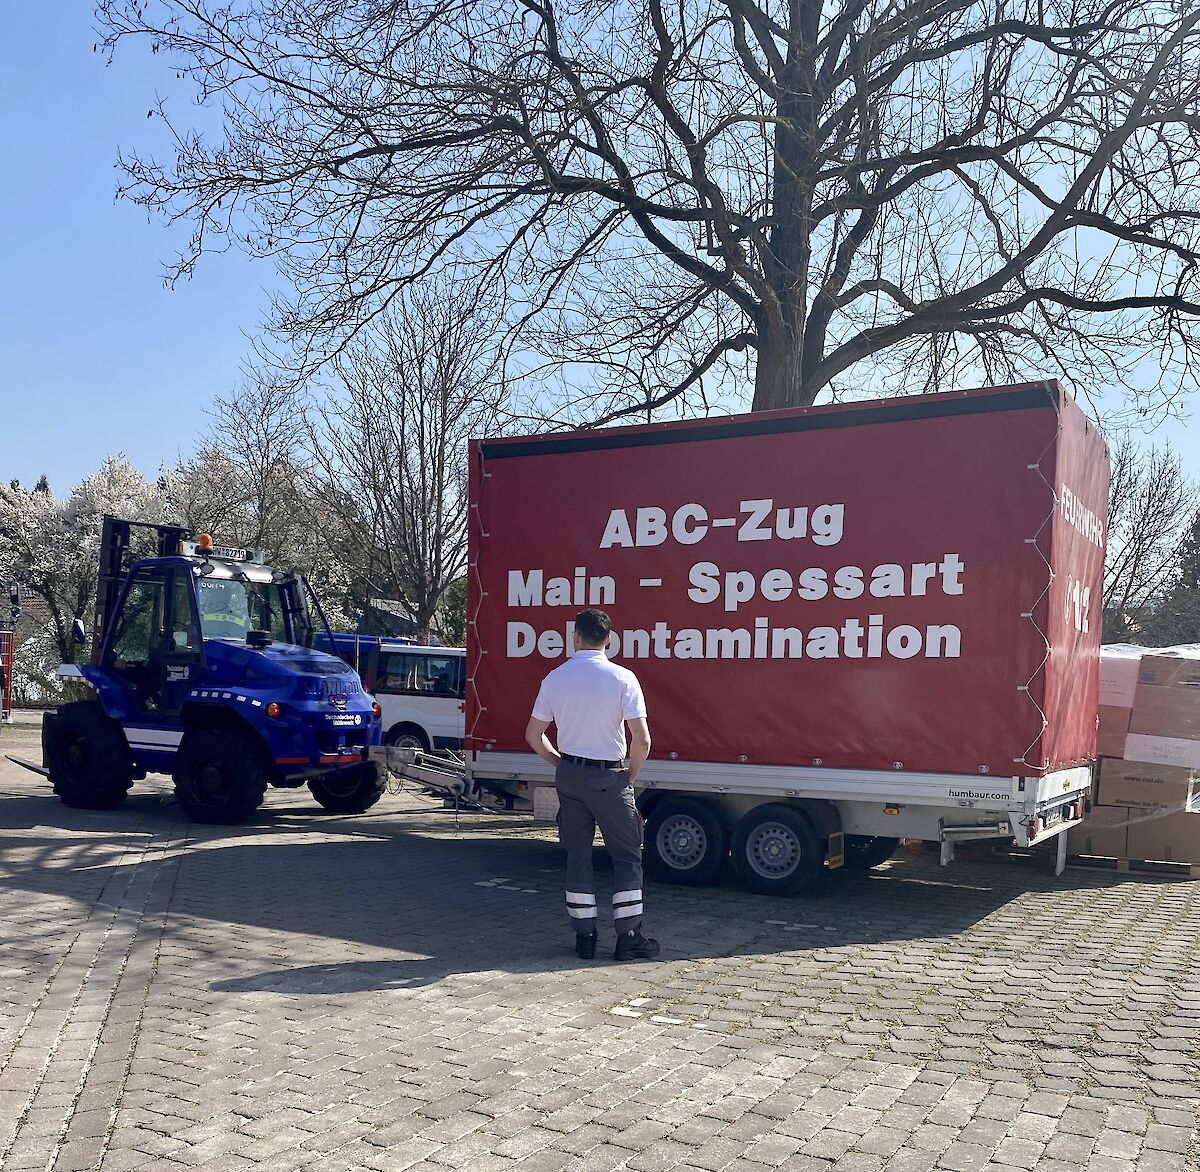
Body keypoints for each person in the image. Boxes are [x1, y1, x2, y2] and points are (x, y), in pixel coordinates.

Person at [525, 608, 660, 963]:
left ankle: (584, 938)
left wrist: (560, 763)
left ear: (575, 636)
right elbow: (642, 740)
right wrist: (628, 777)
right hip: (610, 777)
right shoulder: (623, 678)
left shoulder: (554, 678)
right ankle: (628, 937)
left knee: (578, 856)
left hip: (569, 775)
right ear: (609, 640)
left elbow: (533, 735)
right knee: (628, 855)